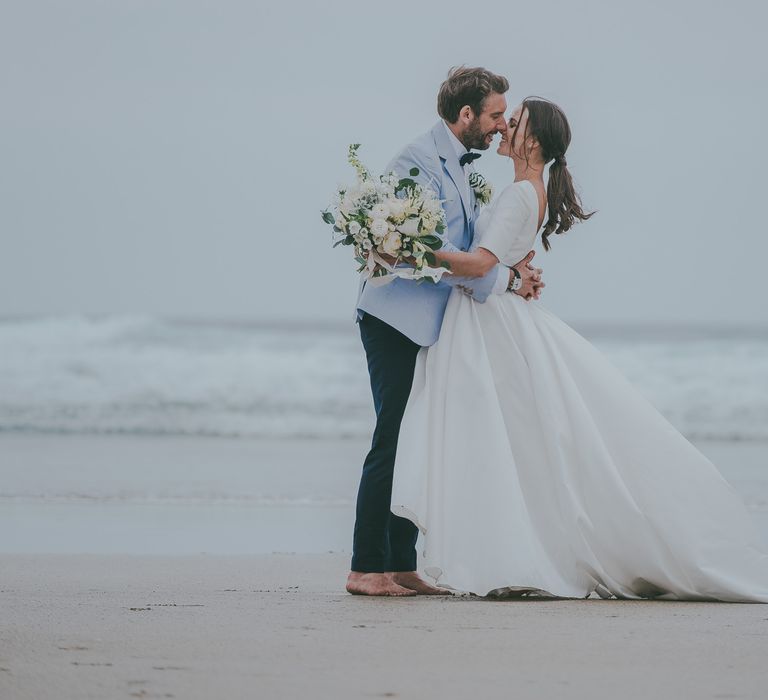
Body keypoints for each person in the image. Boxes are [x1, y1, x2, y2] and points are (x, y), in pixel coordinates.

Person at [390, 96, 768, 602]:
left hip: (489, 327)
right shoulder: (529, 191)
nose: (503, 128)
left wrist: (406, 248)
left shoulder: (521, 195)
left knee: (498, 444)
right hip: (493, 319)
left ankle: (510, 552)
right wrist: (516, 275)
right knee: (517, 446)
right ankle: (507, 547)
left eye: (514, 122)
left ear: (534, 141)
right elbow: (502, 262)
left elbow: (480, 264)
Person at [347, 67, 543, 596]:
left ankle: (402, 563)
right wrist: (501, 279)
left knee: (417, 437)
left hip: (432, 325)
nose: (502, 126)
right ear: (466, 115)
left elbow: (467, 251)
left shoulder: (459, 165)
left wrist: (510, 272)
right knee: (391, 435)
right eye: (496, 115)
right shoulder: (416, 160)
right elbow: (417, 255)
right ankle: (366, 567)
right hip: (394, 318)